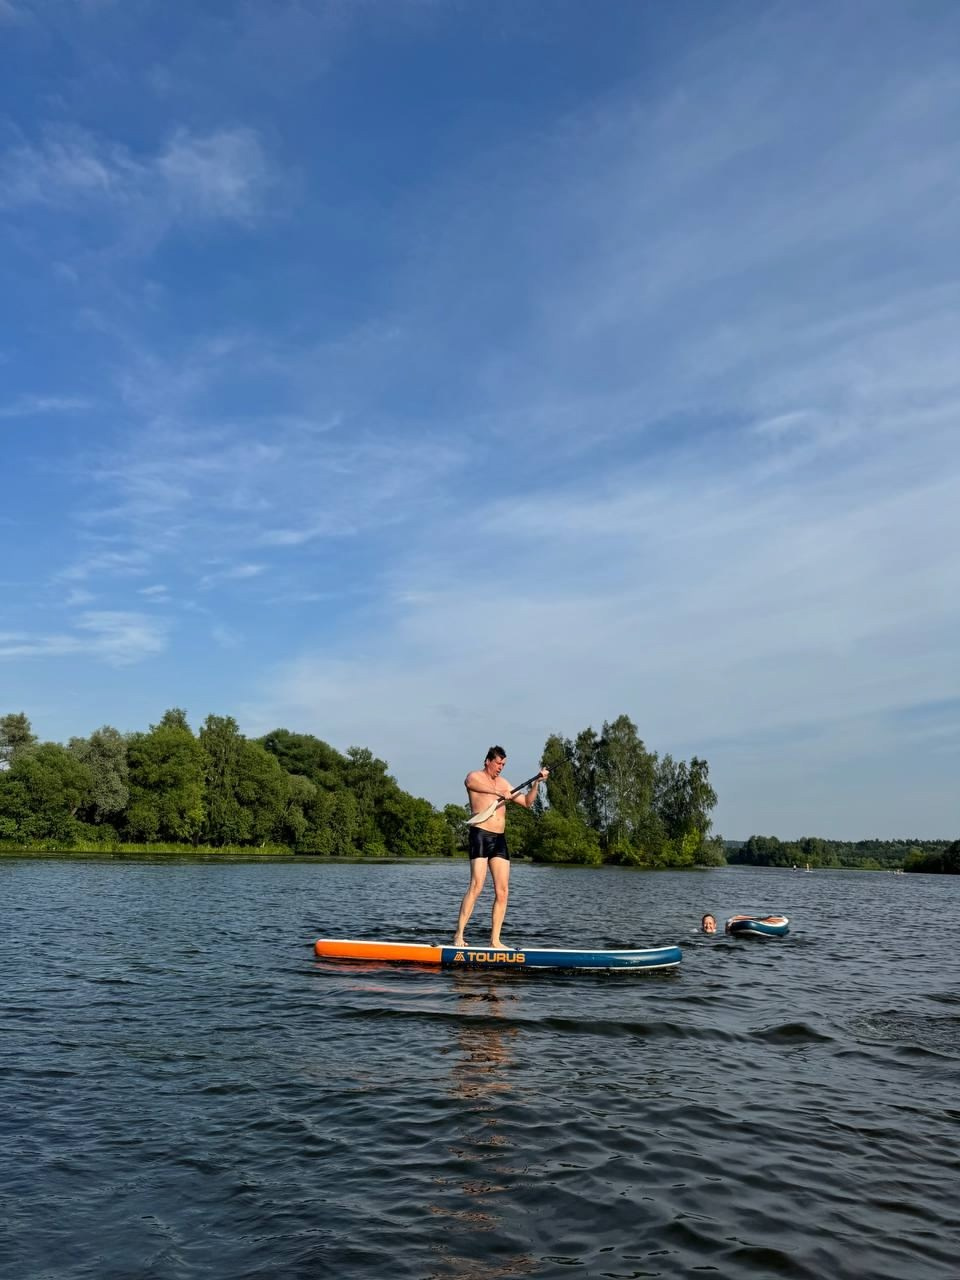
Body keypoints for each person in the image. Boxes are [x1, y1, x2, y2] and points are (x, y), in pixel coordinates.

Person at [453, 746, 549, 949]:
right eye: (498, 763)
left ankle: (495, 941)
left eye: (503, 764)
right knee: (477, 886)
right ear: (488, 761)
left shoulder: (504, 783)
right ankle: (458, 936)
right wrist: (499, 793)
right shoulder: (475, 776)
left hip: (499, 839)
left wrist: (536, 783)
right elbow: (469, 783)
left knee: (503, 891)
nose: (500, 767)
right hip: (480, 834)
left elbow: (527, 802)